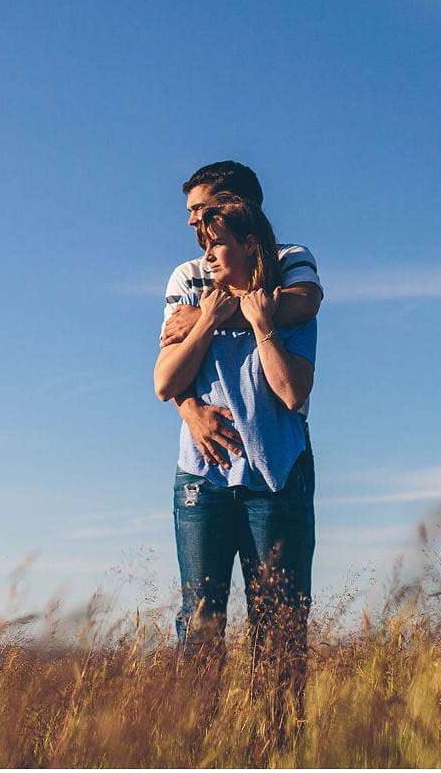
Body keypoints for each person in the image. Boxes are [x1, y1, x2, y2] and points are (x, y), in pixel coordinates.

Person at [154, 189, 317, 726]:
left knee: (279, 626)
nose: (206, 257)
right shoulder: (193, 297)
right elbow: (164, 384)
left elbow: (293, 394)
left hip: (273, 481)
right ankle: (196, 748)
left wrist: (262, 323)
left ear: (250, 244)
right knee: (199, 624)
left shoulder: (287, 299)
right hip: (202, 484)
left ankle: (275, 746)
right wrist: (204, 322)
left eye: (216, 243)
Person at [161, 162, 322, 470]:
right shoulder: (187, 276)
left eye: (198, 208)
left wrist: (206, 317)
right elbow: (171, 361)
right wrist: (191, 411)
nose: (191, 219)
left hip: (280, 438)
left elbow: (303, 303)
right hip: (208, 447)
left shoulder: (288, 258)